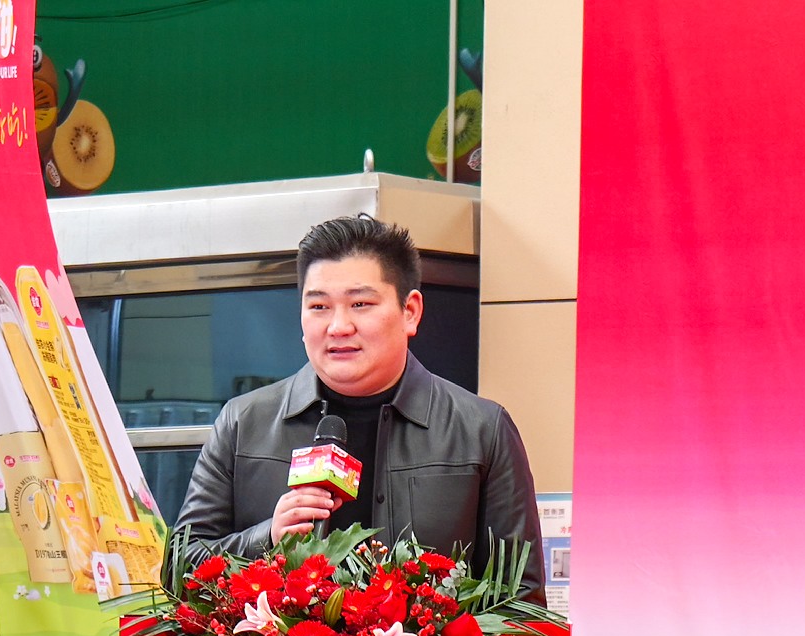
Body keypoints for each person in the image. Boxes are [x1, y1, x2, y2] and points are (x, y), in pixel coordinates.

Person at [177, 215, 544, 601]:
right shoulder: (243, 422)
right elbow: (179, 568)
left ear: (410, 311)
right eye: (319, 306)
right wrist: (266, 537)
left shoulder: (481, 429)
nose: (338, 326)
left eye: (360, 304)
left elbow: (520, 601)